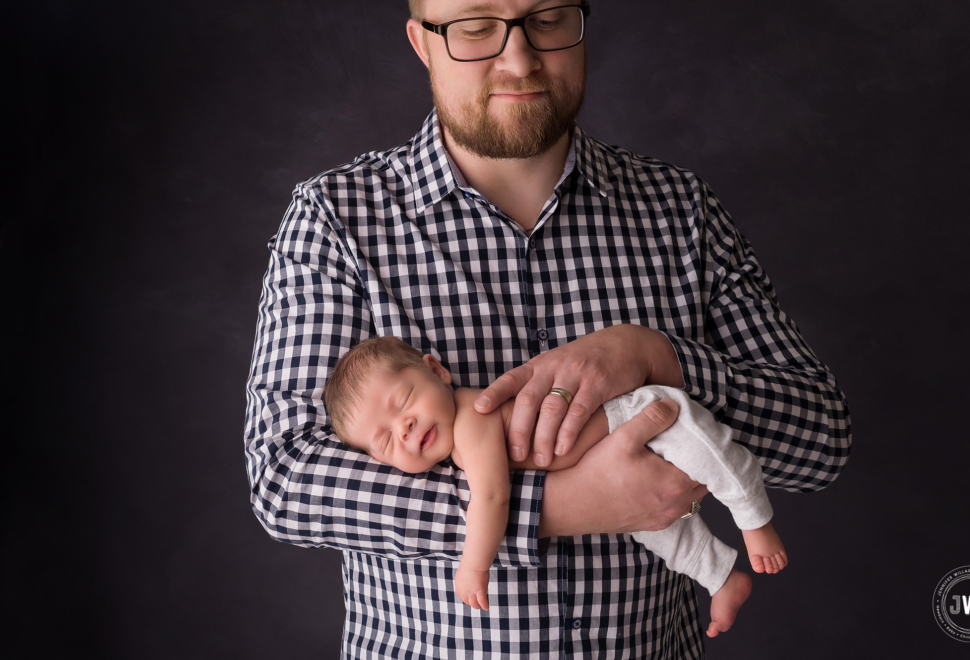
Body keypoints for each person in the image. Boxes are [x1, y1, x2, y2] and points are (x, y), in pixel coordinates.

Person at [243, 1, 853, 657]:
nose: (519, 59)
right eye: (476, 27)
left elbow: (821, 443)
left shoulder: (682, 213)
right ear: (423, 44)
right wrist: (555, 505)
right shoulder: (334, 221)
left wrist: (658, 358)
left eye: (548, 18)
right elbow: (285, 480)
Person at [323, 335, 788, 637]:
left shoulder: (471, 418)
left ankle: (754, 522)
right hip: (615, 461)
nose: (403, 428)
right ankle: (720, 576)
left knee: (712, 455)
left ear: (437, 371)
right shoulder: (452, 446)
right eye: (385, 441)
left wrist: (473, 564)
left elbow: (491, 495)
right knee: (657, 528)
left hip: (642, 415)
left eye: (403, 401)